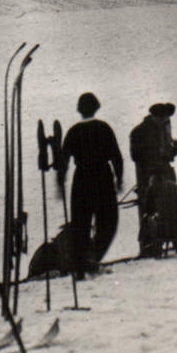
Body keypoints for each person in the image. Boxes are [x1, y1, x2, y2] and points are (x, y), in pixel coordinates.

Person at [57, 92, 124, 275]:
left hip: (81, 179)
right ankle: (93, 257)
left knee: (80, 224)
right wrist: (119, 179)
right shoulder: (104, 128)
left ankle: (80, 267)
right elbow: (117, 157)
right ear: (96, 107)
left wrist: (60, 183)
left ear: (79, 110)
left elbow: (63, 162)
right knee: (108, 221)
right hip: (102, 177)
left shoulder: (73, 131)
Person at [130, 102, 177, 257]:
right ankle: (149, 246)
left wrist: (172, 151)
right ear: (154, 117)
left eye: (166, 118)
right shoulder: (139, 131)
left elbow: (167, 145)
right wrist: (154, 159)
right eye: (162, 118)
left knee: (176, 203)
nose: (165, 121)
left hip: (165, 170)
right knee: (150, 209)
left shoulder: (165, 125)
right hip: (150, 174)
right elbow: (136, 156)